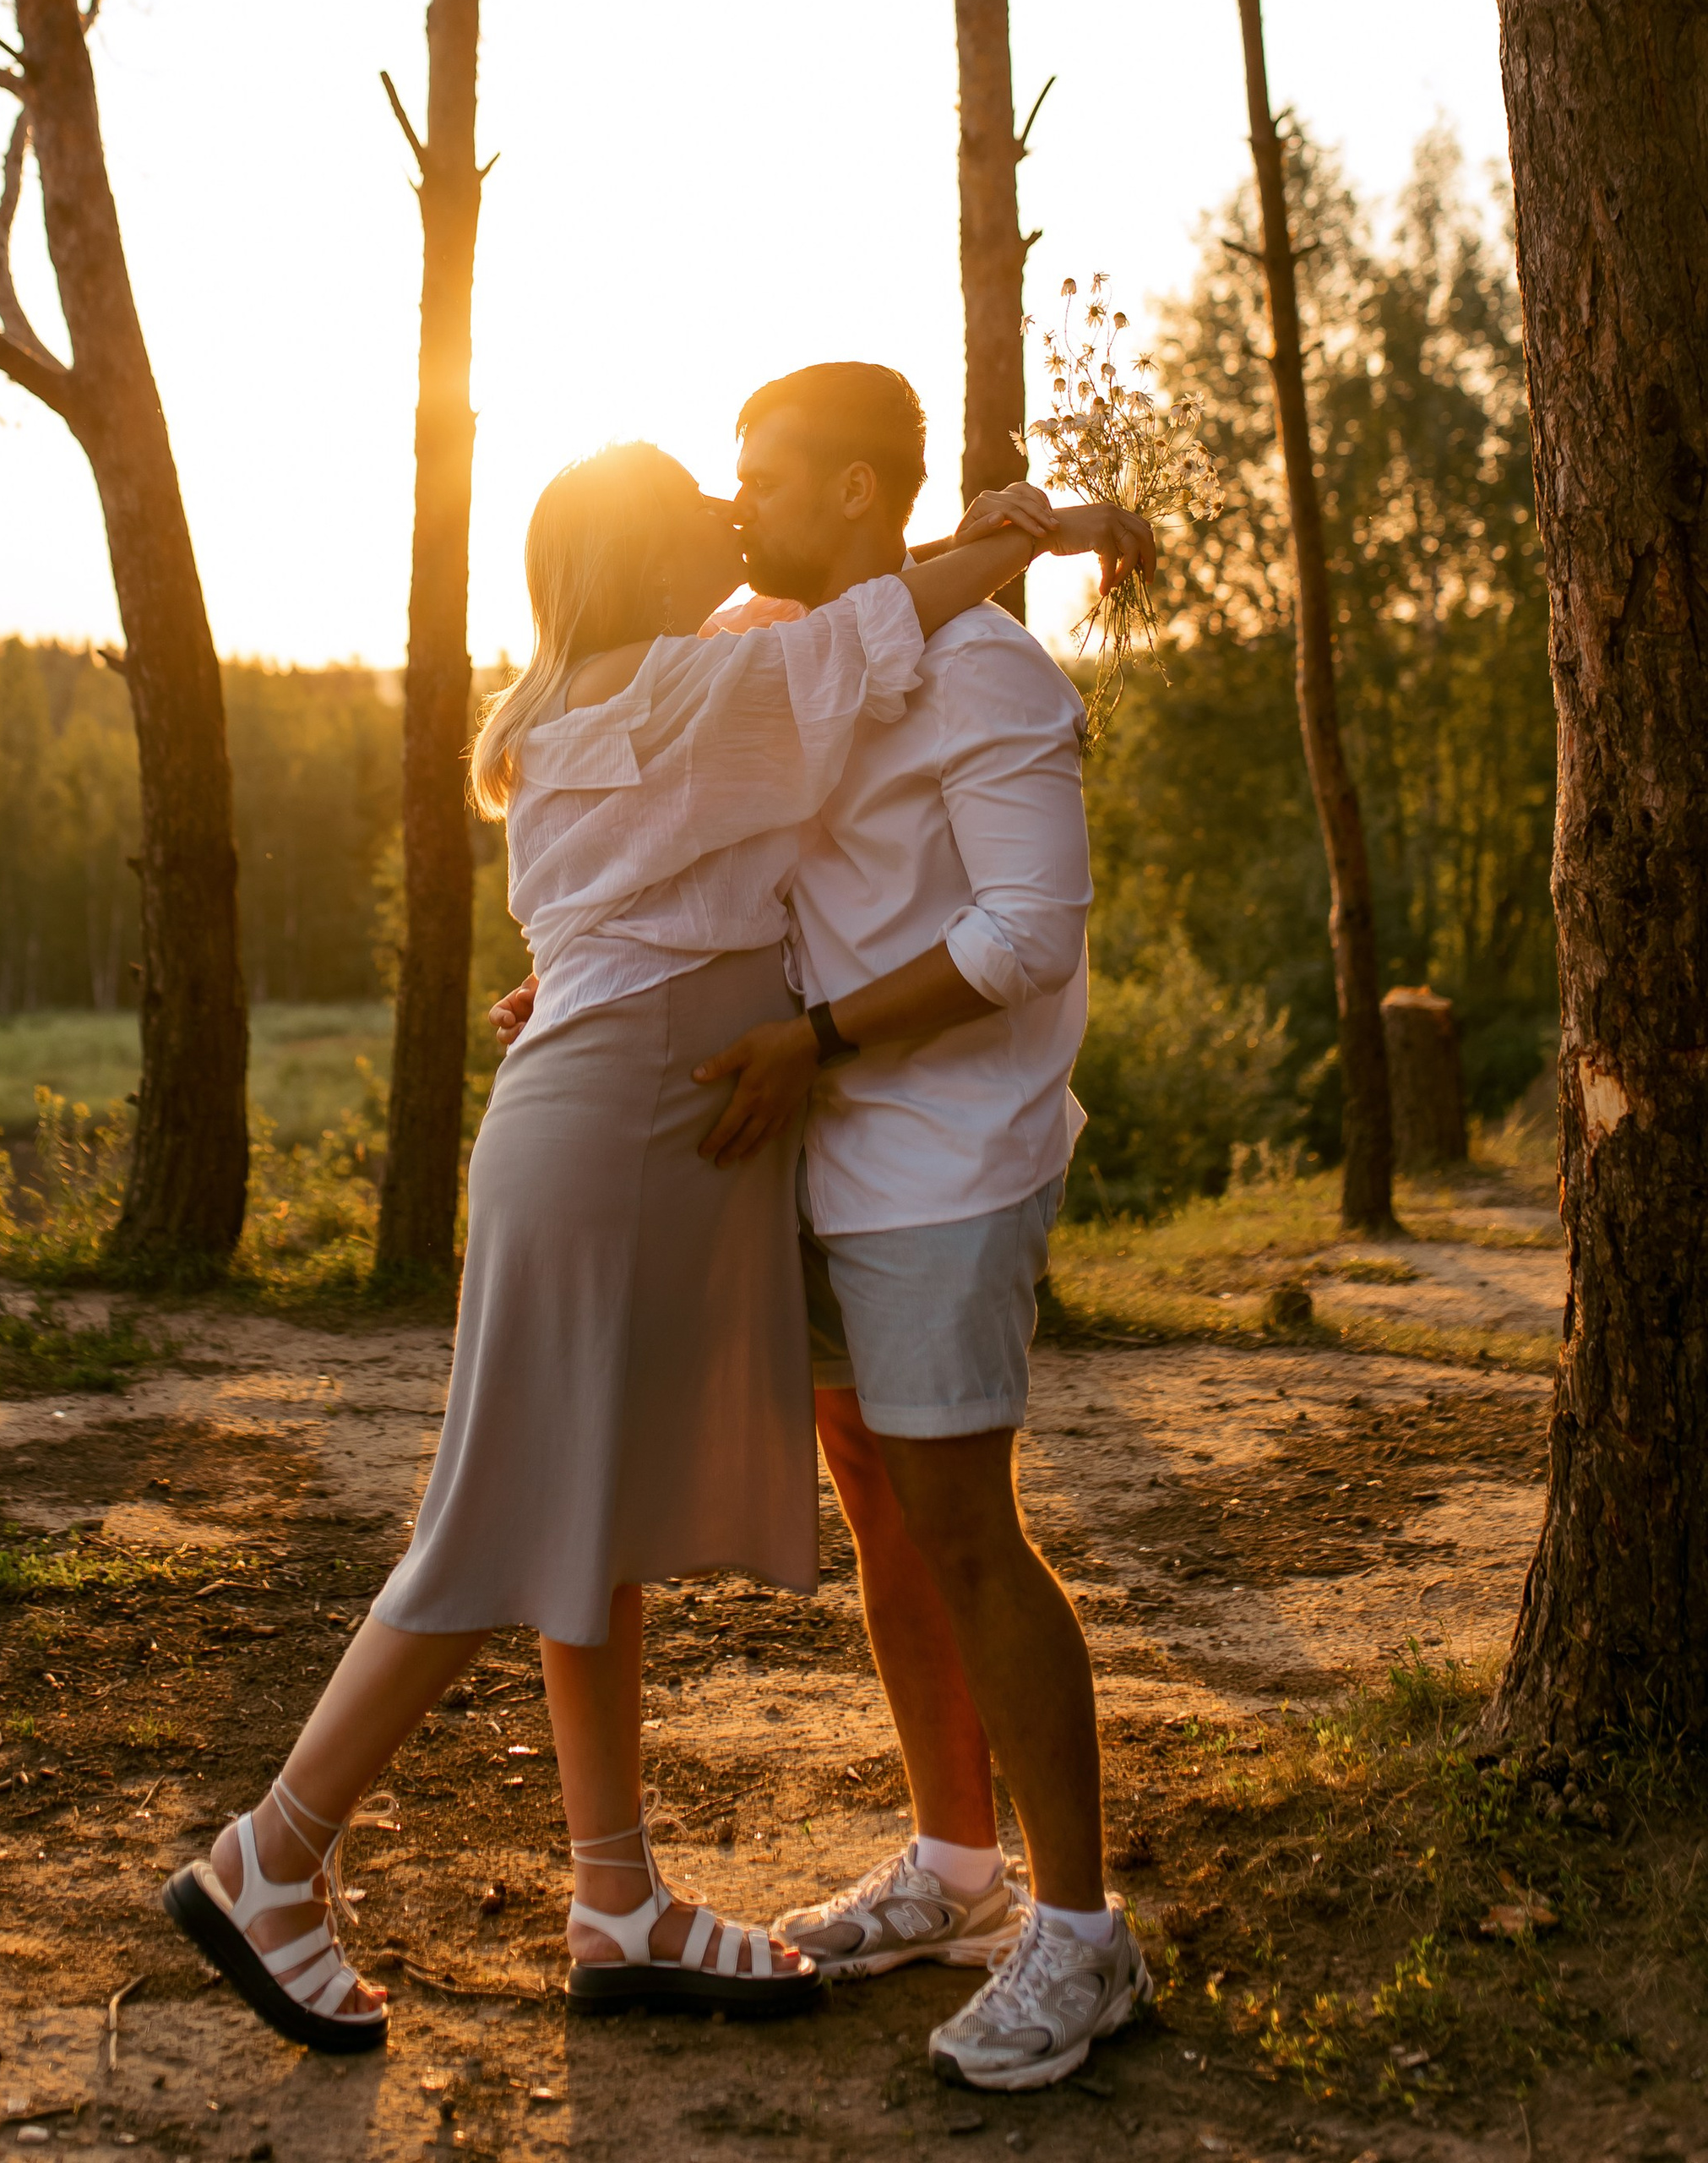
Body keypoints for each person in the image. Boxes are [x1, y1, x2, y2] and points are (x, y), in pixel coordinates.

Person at [161, 438, 1133, 2056]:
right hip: (618, 1132)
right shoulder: (696, 692)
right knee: (498, 1518)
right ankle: (270, 1859)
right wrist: (1045, 524)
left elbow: (692, 850)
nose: (729, 512)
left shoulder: (614, 691)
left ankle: (617, 1895)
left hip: (613, 1111)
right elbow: (907, 605)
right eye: (699, 499)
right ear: (637, 553)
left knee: (581, 1502)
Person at [495, 363, 1153, 2097]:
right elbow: (724, 849)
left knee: (962, 1523)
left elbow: (1023, 935)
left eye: (769, 479)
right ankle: (951, 1867)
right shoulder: (797, 633)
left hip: (944, 1149)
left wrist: (818, 1039)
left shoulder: (988, 676)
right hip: (809, 1149)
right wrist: (581, 987)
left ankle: (1082, 1937)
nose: (737, 509)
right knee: (879, 1506)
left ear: (862, 492)